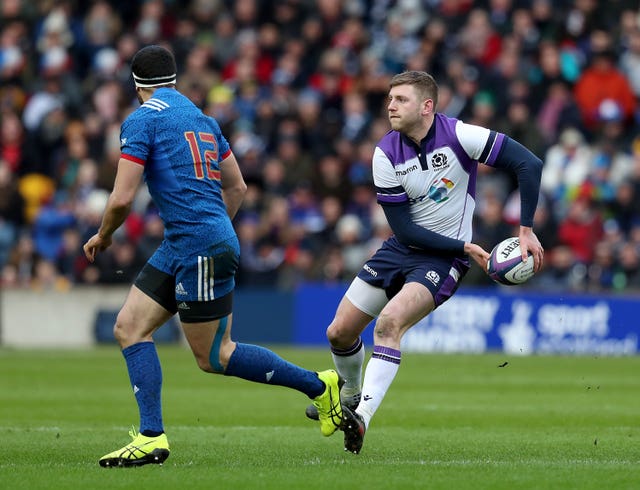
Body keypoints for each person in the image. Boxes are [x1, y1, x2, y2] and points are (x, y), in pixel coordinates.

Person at [83, 45, 343, 468]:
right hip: (186, 242)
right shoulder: (202, 119)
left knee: (215, 356)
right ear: (173, 78)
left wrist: (104, 236)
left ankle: (320, 386)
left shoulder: (141, 121)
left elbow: (121, 199)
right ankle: (152, 436)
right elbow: (237, 187)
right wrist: (215, 228)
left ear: (136, 84)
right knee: (129, 327)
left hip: (196, 244)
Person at [306, 71, 544, 454]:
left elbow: (529, 164)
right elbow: (404, 229)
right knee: (338, 333)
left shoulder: (461, 136)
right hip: (404, 247)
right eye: (390, 99)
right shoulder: (385, 153)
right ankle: (349, 393)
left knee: (388, 324)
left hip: (443, 259)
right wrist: (466, 246)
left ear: (427, 106)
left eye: (401, 99)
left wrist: (526, 229)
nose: (391, 106)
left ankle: (361, 418)